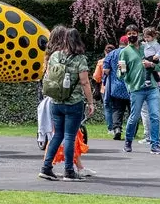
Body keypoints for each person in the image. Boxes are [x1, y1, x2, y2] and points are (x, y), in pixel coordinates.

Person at [37, 26, 95, 181]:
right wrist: (91, 103)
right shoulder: (80, 59)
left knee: (57, 135)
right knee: (69, 136)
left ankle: (46, 167)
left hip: (56, 102)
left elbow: (49, 76)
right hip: (73, 102)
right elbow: (84, 82)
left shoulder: (55, 55)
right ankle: (69, 171)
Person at [118, 27, 160, 155]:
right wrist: (121, 70)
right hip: (136, 88)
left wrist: (152, 65)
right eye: (129, 34)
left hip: (152, 87)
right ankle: (128, 141)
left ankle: (155, 144)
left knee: (155, 115)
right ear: (126, 36)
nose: (132, 36)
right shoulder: (125, 52)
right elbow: (120, 74)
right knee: (134, 117)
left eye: (134, 33)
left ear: (138, 35)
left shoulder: (148, 47)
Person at [101, 30, 136, 139]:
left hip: (116, 87)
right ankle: (132, 131)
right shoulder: (132, 52)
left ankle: (117, 128)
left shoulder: (111, 54)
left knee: (117, 109)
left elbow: (105, 70)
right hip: (131, 86)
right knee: (133, 110)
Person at [139, 27, 160, 142]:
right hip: (150, 84)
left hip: (152, 84)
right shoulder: (143, 48)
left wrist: (151, 64)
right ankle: (155, 136)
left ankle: (150, 136)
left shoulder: (155, 49)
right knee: (152, 112)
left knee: (147, 111)